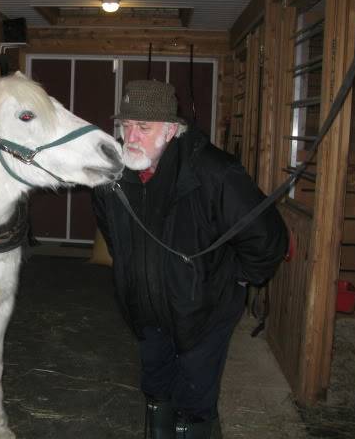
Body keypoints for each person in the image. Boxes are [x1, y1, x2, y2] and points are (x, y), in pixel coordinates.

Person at [92, 80, 288, 439]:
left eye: (143, 127)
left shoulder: (214, 172)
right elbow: (110, 229)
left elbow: (267, 235)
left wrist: (237, 278)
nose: (130, 136)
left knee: (195, 393)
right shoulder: (113, 175)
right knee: (155, 383)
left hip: (203, 309)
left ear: (171, 129)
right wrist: (131, 270)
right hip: (146, 307)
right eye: (126, 126)